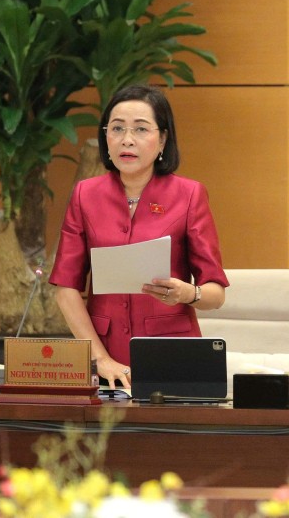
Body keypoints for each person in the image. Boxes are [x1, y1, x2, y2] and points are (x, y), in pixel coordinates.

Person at [50, 84, 228, 389]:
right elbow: (65, 288)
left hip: (171, 352)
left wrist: (188, 293)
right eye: (116, 128)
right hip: (103, 354)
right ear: (105, 137)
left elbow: (215, 293)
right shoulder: (85, 194)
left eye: (141, 129)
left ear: (162, 140)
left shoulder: (188, 195)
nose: (127, 140)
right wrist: (100, 358)